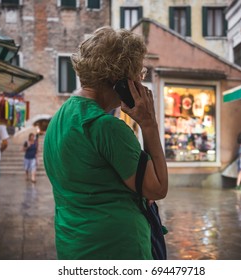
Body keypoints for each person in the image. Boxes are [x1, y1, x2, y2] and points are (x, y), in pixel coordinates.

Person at [43, 26, 168, 260]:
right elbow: (158, 188)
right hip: (118, 249)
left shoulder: (59, 119)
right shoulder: (106, 127)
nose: (140, 82)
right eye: (138, 74)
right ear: (120, 79)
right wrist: (149, 125)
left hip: (74, 245)